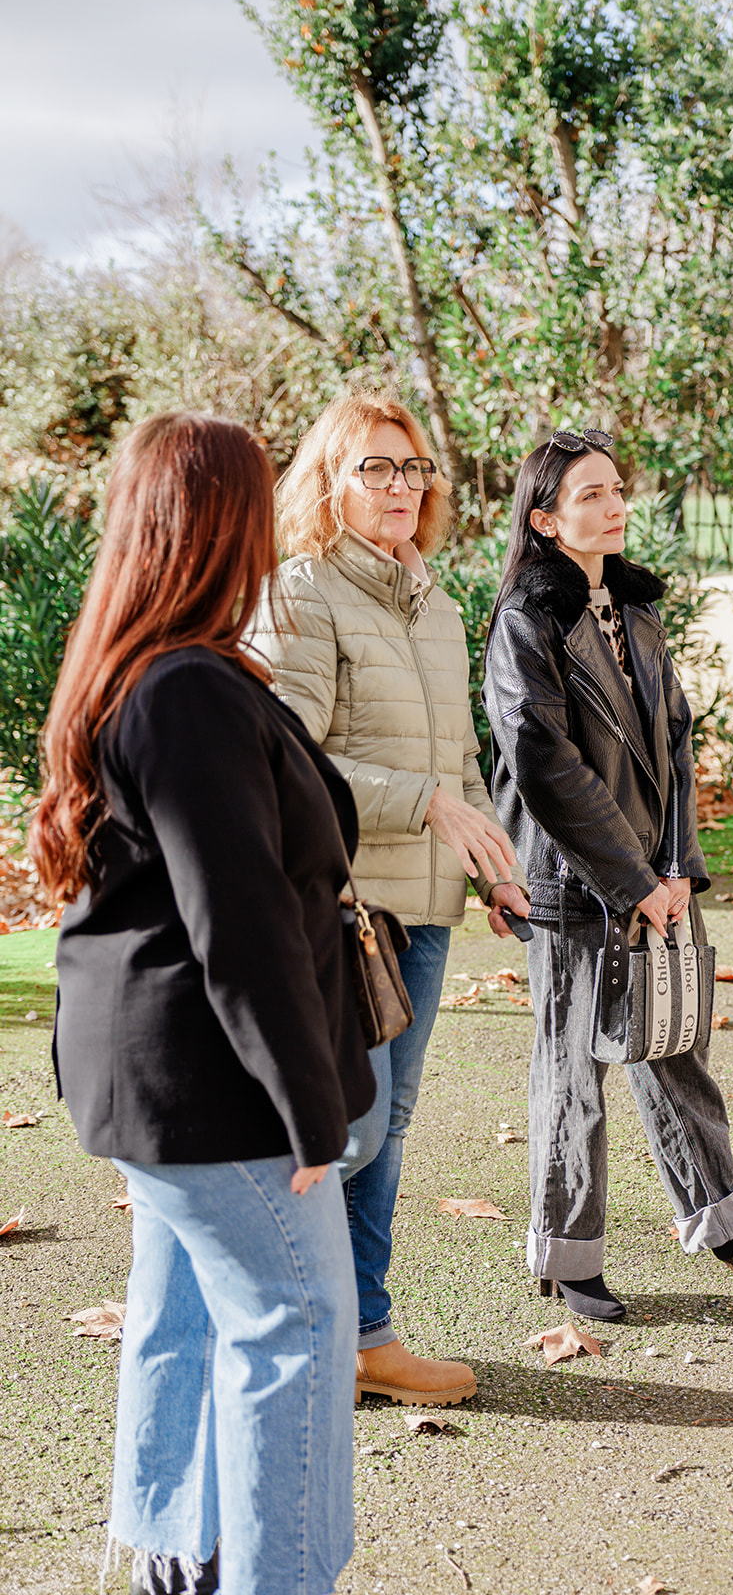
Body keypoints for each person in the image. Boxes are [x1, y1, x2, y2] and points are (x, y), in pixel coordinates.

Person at [29, 413, 375, 1595]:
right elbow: (241, 920)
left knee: (185, 1314)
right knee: (300, 1329)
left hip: (159, 1087)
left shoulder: (154, 672)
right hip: (214, 1093)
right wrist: (308, 1109)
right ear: (219, 524)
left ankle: (179, 1556)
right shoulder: (187, 690)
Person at [482, 427, 733, 1323]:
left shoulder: (635, 613)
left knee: (673, 1039)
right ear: (546, 519)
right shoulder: (526, 620)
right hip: (575, 881)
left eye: (617, 487)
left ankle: (724, 1218)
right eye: (590, 493)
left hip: (653, 877)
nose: (614, 503)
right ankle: (567, 1256)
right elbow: (541, 762)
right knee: (572, 1069)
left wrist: (677, 868)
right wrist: (633, 879)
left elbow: (675, 742)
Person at [248, 389, 528, 1407]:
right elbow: (285, 758)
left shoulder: (435, 602)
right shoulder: (301, 594)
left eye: (412, 468)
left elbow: (455, 759)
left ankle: (365, 1335)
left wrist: (492, 862)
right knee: (345, 1128)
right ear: (329, 481)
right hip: (338, 906)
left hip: (423, 907)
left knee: (389, 1125)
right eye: (375, 467)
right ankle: (287, 1323)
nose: (401, 486)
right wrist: (426, 806)